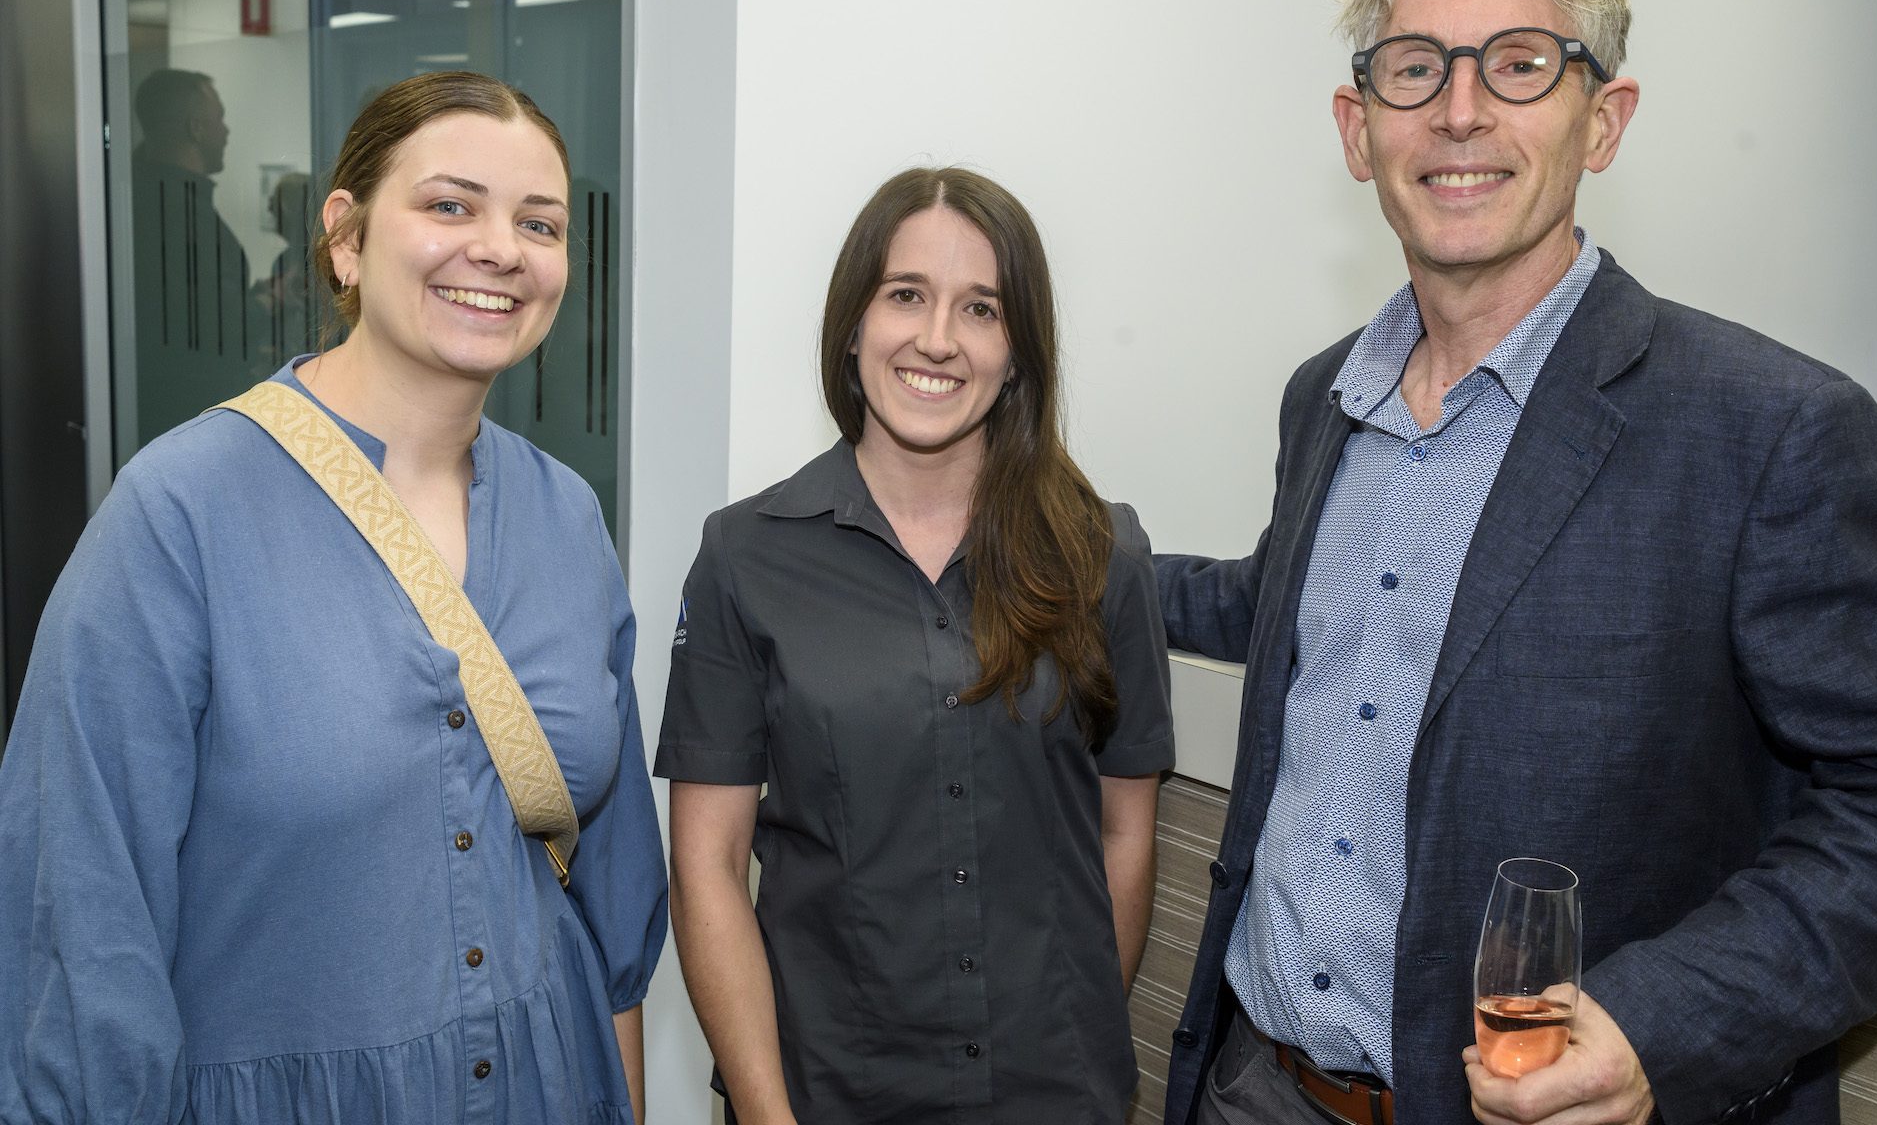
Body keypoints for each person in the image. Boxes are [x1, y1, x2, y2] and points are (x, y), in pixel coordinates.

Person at [1154, 0, 1877, 1125]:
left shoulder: (1773, 433)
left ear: (1602, 119)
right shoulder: (1321, 402)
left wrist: (1658, 1022)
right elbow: (1280, 611)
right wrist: (1028, 531)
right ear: (1358, 128)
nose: (1459, 112)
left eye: (1517, 64)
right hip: (1261, 1085)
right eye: (1414, 68)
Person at [0, 71, 669, 1123]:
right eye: (450, 204)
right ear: (347, 237)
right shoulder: (180, 514)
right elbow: (83, 921)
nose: (499, 246)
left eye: (537, 222)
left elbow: (613, 900)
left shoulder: (563, 516)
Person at [657, 166, 1175, 1124]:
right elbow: (709, 870)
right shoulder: (746, 558)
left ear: (1018, 351)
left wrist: (1073, 1041)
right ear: (854, 322)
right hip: (830, 1095)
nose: (937, 339)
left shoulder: (1105, 556)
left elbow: (1123, 829)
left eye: (981, 308)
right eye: (906, 296)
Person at [130, 68, 255, 440]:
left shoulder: (132, 202)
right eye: (220, 119)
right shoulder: (182, 216)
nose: (227, 131)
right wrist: (264, 306)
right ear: (196, 129)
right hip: (191, 417)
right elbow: (211, 326)